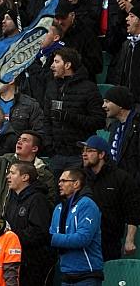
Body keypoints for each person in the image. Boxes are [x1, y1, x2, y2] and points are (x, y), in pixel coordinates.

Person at [45, 48, 106, 176]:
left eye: (56, 62)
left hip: (78, 155)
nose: (52, 66)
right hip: (56, 154)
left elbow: (99, 121)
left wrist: (69, 117)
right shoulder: (51, 87)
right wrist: (50, 146)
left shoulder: (89, 88)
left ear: (67, 65)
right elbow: (46, 118)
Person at [79, 134, 140, 261]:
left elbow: (132, 212)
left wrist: (129, 240)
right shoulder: (79, 178)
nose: (84, 154)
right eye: (83, 151)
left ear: (101, 155)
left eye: (90, 151)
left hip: (109, 242)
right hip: (81, 240)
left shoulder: (121, 178)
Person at [3, 161, 55, 286]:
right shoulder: (11, 198)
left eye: (12, 173)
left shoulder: (38, 199)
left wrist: (11, 236)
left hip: (33, 263)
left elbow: (39, 232)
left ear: (25, 177)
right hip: (15, 259)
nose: (8, 177)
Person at [50, 168, 104, 285]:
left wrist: (52, 238)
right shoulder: (59, 208)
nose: (60, 184)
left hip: (87, 274)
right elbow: (52, 235)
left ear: (76, 184)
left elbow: (83, 238)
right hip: (65, 274)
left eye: (64, 181)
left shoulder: (87, 204)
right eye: (59, 181)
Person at [103, 86, 140, 183]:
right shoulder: (114, 126)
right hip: (118, 183)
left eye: (107, 101)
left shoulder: (137, 125)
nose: (103, 105)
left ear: (120, 104)